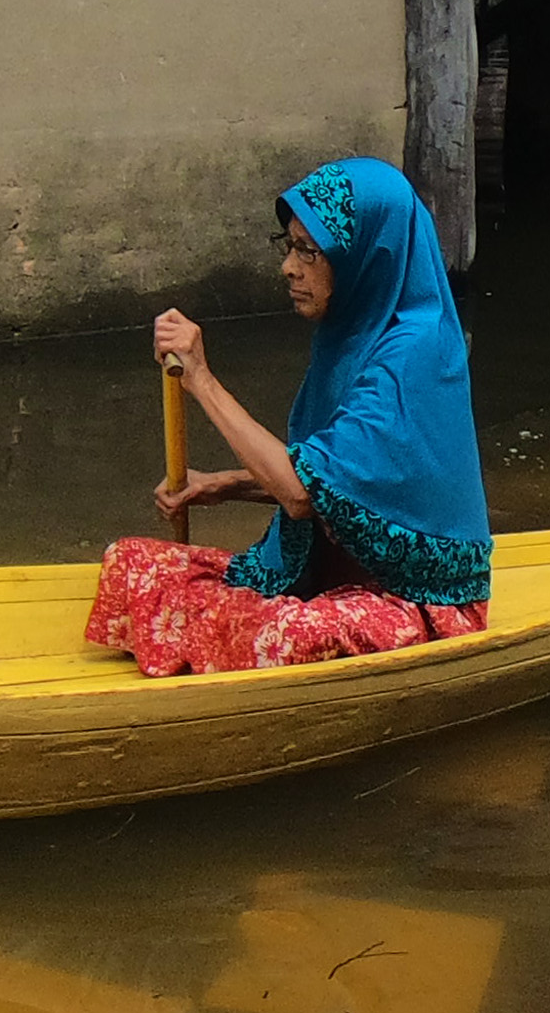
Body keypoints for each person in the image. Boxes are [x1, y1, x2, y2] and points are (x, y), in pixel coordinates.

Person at [83, 158, 495, 678]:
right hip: (335, 568)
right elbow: (343, 482)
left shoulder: (413, 353)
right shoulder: (353, 333)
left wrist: (202, 381)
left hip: (417, 597)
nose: (289, 268)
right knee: (129, 562)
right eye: (290, 245)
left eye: (310, 251)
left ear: (368, 257)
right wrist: (222, 486)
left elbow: (302, 494)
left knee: (283, 635)